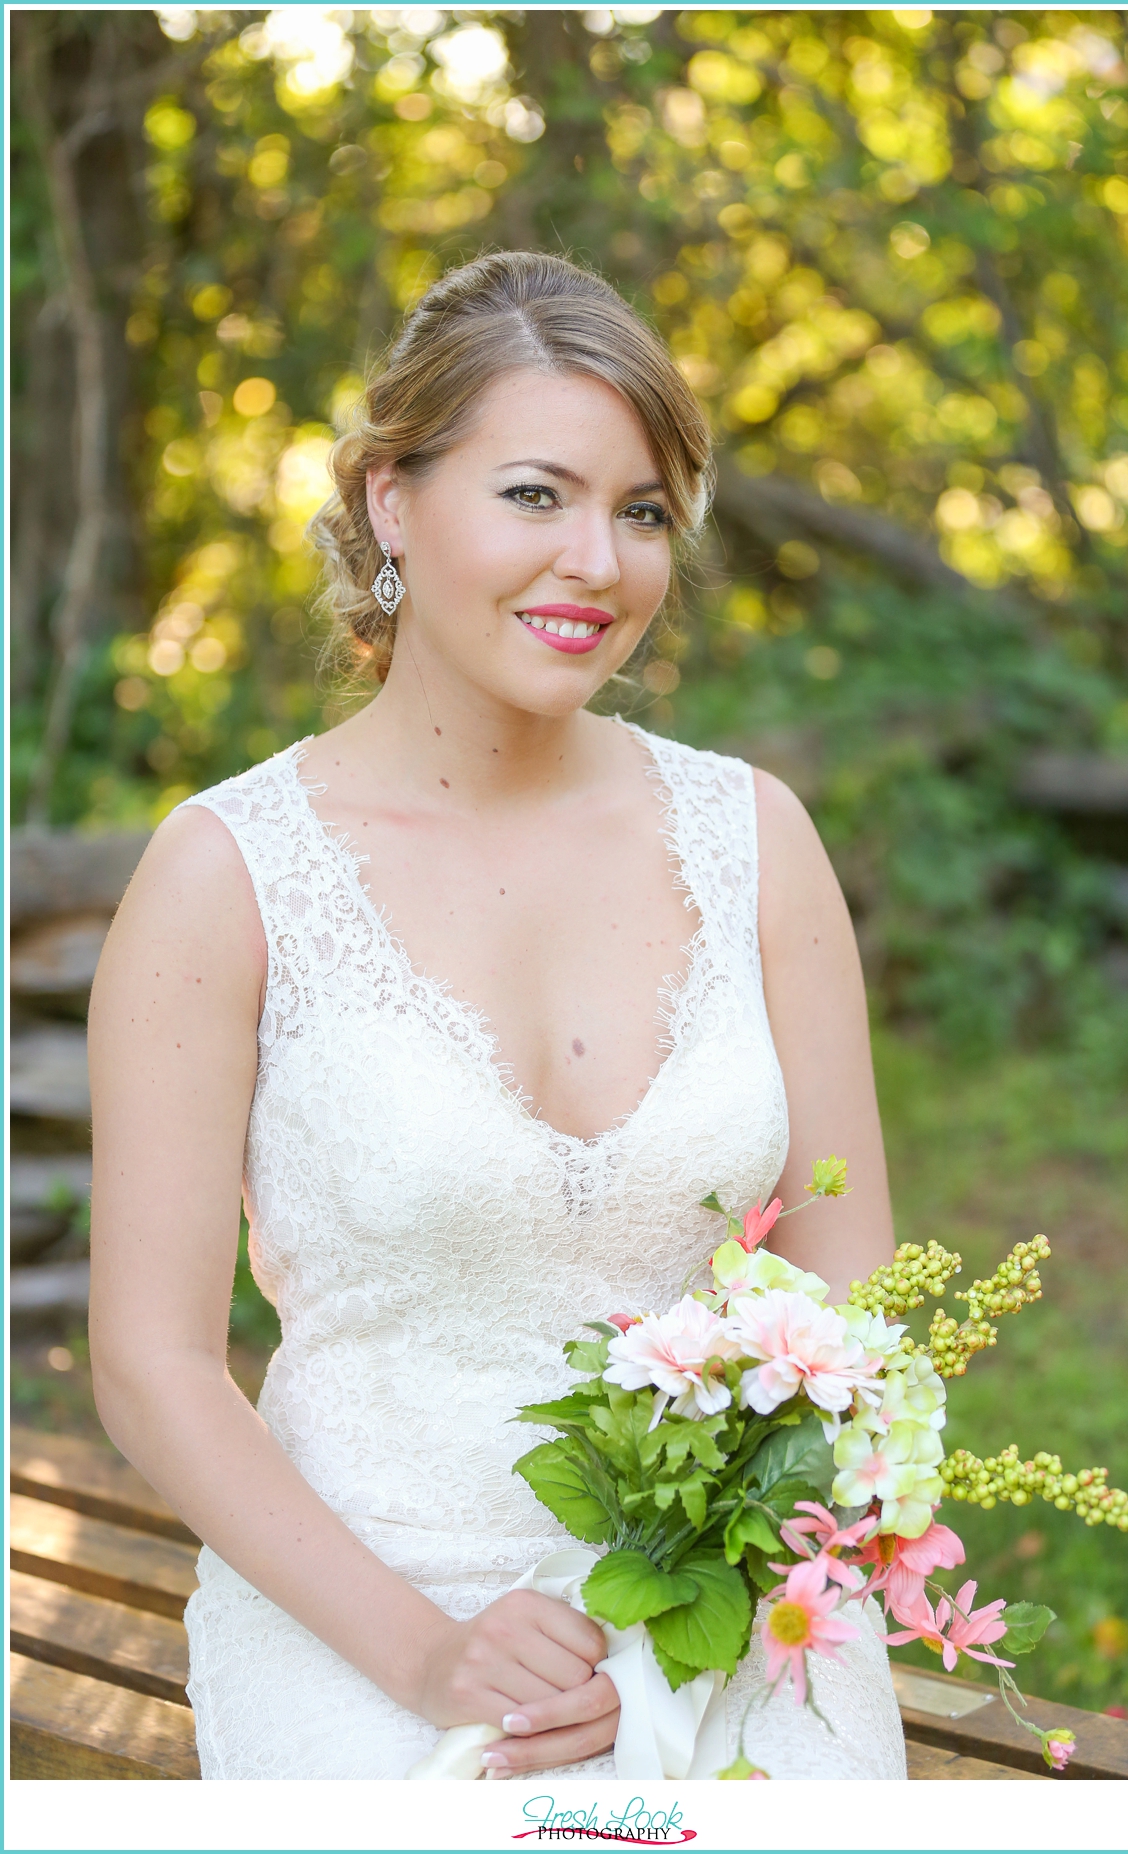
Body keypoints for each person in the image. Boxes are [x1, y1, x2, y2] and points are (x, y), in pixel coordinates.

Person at [88, 251, 906, 1781]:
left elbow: (846, 1271)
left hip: (718, 1596)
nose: (597, 559)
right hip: (358, 1593)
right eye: (537, 494)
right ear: (393, 500)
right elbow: (151, 1361)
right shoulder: (227, 875)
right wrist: (431, 1650)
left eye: (643, 510)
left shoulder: (755, 838)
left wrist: (699, 1595)